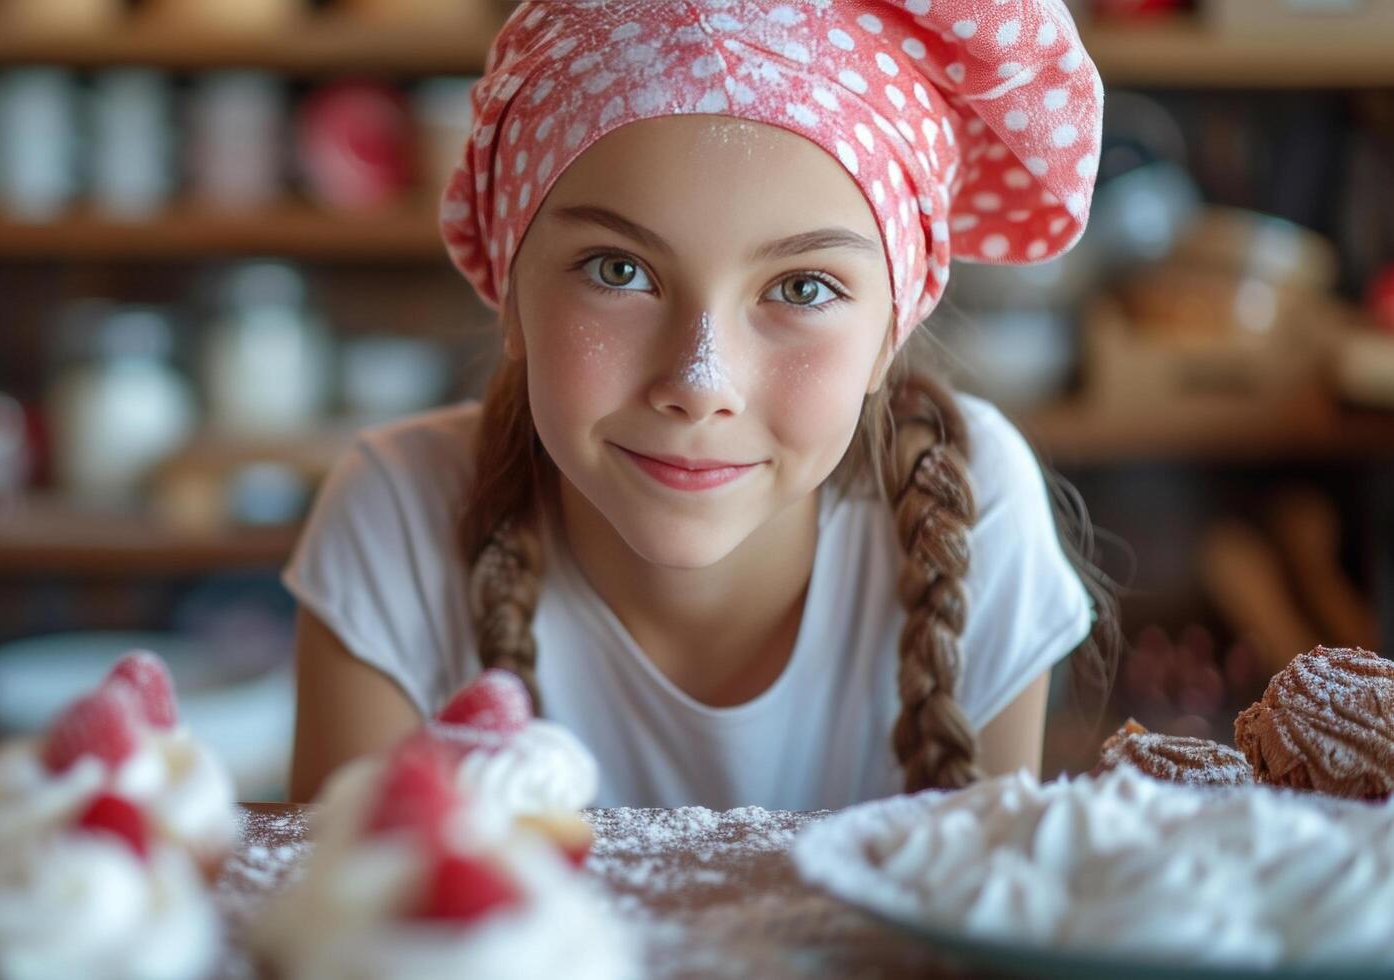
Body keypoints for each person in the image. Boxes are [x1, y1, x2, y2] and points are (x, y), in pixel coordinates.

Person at [286, 0, 1115, 809]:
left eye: (801, 287)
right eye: (617, 270)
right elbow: (341, 929)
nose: (699, 382)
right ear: (510, 293)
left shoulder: (979, 505)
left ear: (889, 334)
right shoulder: (394, 516)